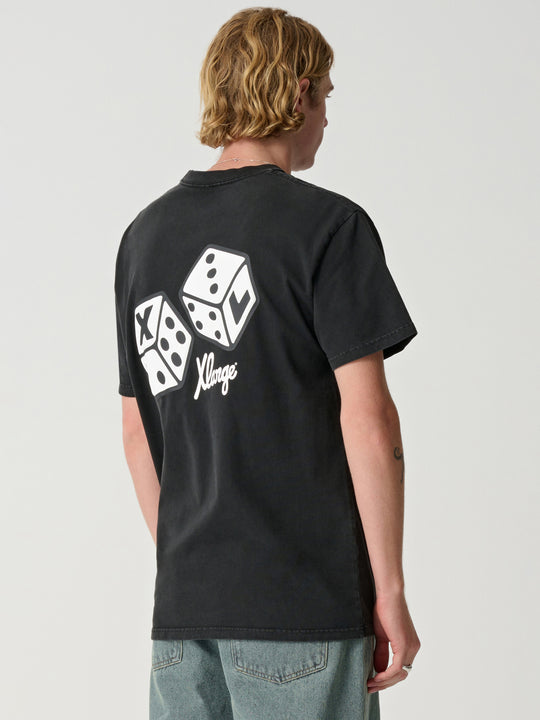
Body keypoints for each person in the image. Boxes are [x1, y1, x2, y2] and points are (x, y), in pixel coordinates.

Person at [114, 7, 421, 719]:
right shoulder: (329, 226)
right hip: (303, 607)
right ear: (299, 91)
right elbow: (369, 421)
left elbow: (136, 434)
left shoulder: (143, 237)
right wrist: (390, 591)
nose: (327, 119)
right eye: (327, 97)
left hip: (184, 619)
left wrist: (195, 571)